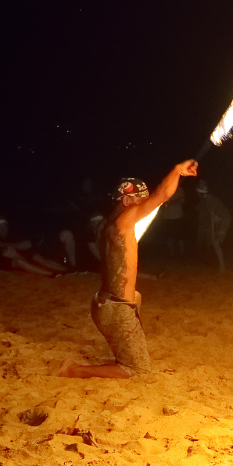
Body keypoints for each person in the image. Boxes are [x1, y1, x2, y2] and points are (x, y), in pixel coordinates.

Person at [58, 160, 199, 379]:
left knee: (137, 295)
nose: (144, 205)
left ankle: (124, 356)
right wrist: (177, 171)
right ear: (125, 200)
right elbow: (162, 194)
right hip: (116, 308)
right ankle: (75, 370)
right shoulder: (123, 221)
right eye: (139, 200)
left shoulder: (109, 223)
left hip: (108, 303)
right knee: (139, 371)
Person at [0, 216, 67, 276]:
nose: (3, 229)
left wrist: (11, 246)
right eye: (0, 227)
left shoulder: (13, 236)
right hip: (3, 262)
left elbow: (27, 244)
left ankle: (66, 271)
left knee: (36, 256)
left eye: (5, 226)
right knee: (18, 260)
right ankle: (51, 274)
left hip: (20, 256)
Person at [196, 180, 230, 273]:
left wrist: (212, 233)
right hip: (220, 220)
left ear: (200, 193)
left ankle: (222, 268)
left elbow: (212, 217)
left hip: (224, 221)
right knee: (214, 243)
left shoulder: (209, 201)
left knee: (215, 242)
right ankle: (220, 266)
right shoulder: (206, 199)